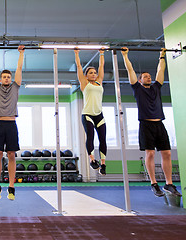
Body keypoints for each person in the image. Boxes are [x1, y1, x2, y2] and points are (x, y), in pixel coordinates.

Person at [121, 47, 181, 197]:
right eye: (145, 76)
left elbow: (161, 70)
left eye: (149, 76)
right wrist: (125, 55)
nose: (148, 77)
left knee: (167, 153)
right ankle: (154, 184)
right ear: (140, 80)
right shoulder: (137, 89)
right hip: (146, 125)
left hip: (159, 124)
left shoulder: (156, 87)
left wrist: (162, 56)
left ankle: (169, 184)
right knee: (150, 154)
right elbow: (130, 71)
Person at [0, 45, 25, 201]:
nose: (7, 78)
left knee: (11, 155)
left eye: (8, 77)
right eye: (4, 76)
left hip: (11, 124)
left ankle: (11, 186)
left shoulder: (15, 87)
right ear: (0, 78)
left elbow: (19, 68)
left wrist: (21, 53)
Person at [74, 48, 107, 175]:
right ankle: (92, 160)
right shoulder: (84, 83)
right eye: (91, 73)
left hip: (99, 114)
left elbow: (101, 66)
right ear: (86, 75)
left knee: (103, 139)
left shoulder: (99, 82)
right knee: (91, 136)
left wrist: (102, 53)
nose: (93, 74)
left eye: (94, 73)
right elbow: (78, 66)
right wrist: (76, 53)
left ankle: (103, 164)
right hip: (87, 114)